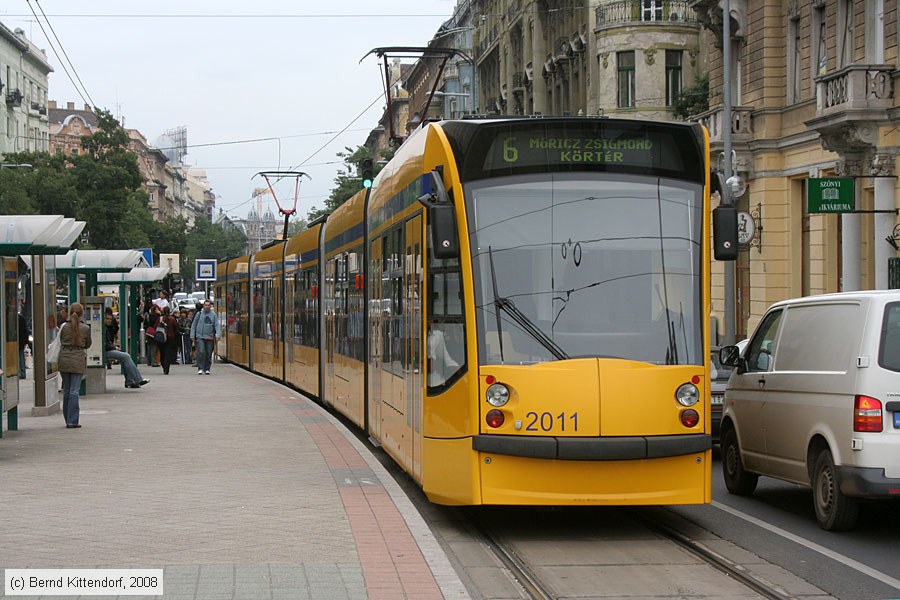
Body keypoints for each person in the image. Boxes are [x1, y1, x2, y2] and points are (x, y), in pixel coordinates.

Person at [59, 302, 91, 428]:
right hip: (77, 359)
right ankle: (73, 420)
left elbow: (60, 340)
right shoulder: (85, 328)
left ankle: (67, 418)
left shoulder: (64, 327)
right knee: (74, 391)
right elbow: (88, 344)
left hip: (64, 358)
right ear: (82, 313)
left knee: (67, 390)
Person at [104, 314, 149, 389]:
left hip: (107, 350)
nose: (109, 321)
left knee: (125, 357)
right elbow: (105, 344)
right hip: (104, 351)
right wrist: (114, 347)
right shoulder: (104, 329)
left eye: (110, 319)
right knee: (125, 356)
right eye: (107, 319)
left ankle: (130, 381)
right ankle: (138, 379)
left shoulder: (108, 328)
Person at [190, 299, 220, 375]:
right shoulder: (199, 314)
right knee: (201, 351)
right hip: (200, 336)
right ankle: (200, 368)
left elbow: (217, 325)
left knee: (209, 353)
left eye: (208, 305)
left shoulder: (213, 315)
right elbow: (194, 325)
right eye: (205, 305)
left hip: (210, 337)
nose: (207, 307)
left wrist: (218, 335)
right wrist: (192, 335)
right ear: (203, 306)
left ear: (210, 306)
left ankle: (207, 368)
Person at [159, 306, 179, 375]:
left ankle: (163, 365)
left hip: (161, 338)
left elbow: (156, 326)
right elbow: (176, 328)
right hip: (170, 338)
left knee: (162, 353)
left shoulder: (161, 319)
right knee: (168, 353)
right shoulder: (172, 319)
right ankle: (166, 368)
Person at [18, 309, 30, 379]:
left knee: (19, 357)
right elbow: (26, 330)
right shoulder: (21, 318)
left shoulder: (17, 318)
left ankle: (21, 372)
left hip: (17, 341)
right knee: (21, 357)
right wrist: (26, 341)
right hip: (21, 341)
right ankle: (22, 373)